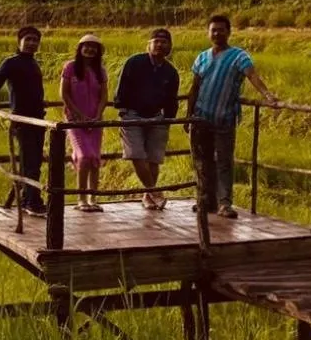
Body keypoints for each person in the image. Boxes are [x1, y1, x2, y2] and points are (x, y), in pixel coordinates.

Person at [188, 15, 279, 218]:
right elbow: (194, 87)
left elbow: (252, 75)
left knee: (224, 162)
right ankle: (206, 200)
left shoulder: (239, 56)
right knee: (203, 161)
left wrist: (267, 95)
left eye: (221, 30)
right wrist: (188, 115)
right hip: (201, 118)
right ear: (208, 33)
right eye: (214, 30)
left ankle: (224, 203)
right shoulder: (202, 57)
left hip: (224, 119)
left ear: (229, 32)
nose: (217, 33)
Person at [0, 25, 47, 215]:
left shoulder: (34, 63)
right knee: (30, 160)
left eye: (35, 40)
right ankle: (32, 201)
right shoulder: (11, 62)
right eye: (28, 39)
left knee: (35, 161)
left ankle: (27, 198)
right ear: (19, 41)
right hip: (22, 119)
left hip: (38, 119)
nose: (31, 43)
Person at [114, 28, 180, 210]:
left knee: (153, 158)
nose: (160, 45)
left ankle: (148, 196)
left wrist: (169, 119)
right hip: (132, 114)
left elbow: (171, 99)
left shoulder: (170, 72)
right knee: (136, 154)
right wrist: (123, 109)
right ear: (149, 44)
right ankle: (155, 191)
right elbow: (122, 87)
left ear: (170, 47)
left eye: (164, 42)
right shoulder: (134, 62)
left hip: (157, 117)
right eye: (156, 41)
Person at [60, 34, 108, 213]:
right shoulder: (70, 67)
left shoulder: (100, 70)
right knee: (84, 156)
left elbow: (104, 96)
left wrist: (97, 115)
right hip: (74, 120)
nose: (90, 50)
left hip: (95, 120)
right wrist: (78, 115)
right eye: (86, 46)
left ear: (98, 51)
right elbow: (64, 94)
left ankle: (93, 198)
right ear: (80, 49)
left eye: (93, 47)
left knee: (95, 158)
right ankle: (81, 199)